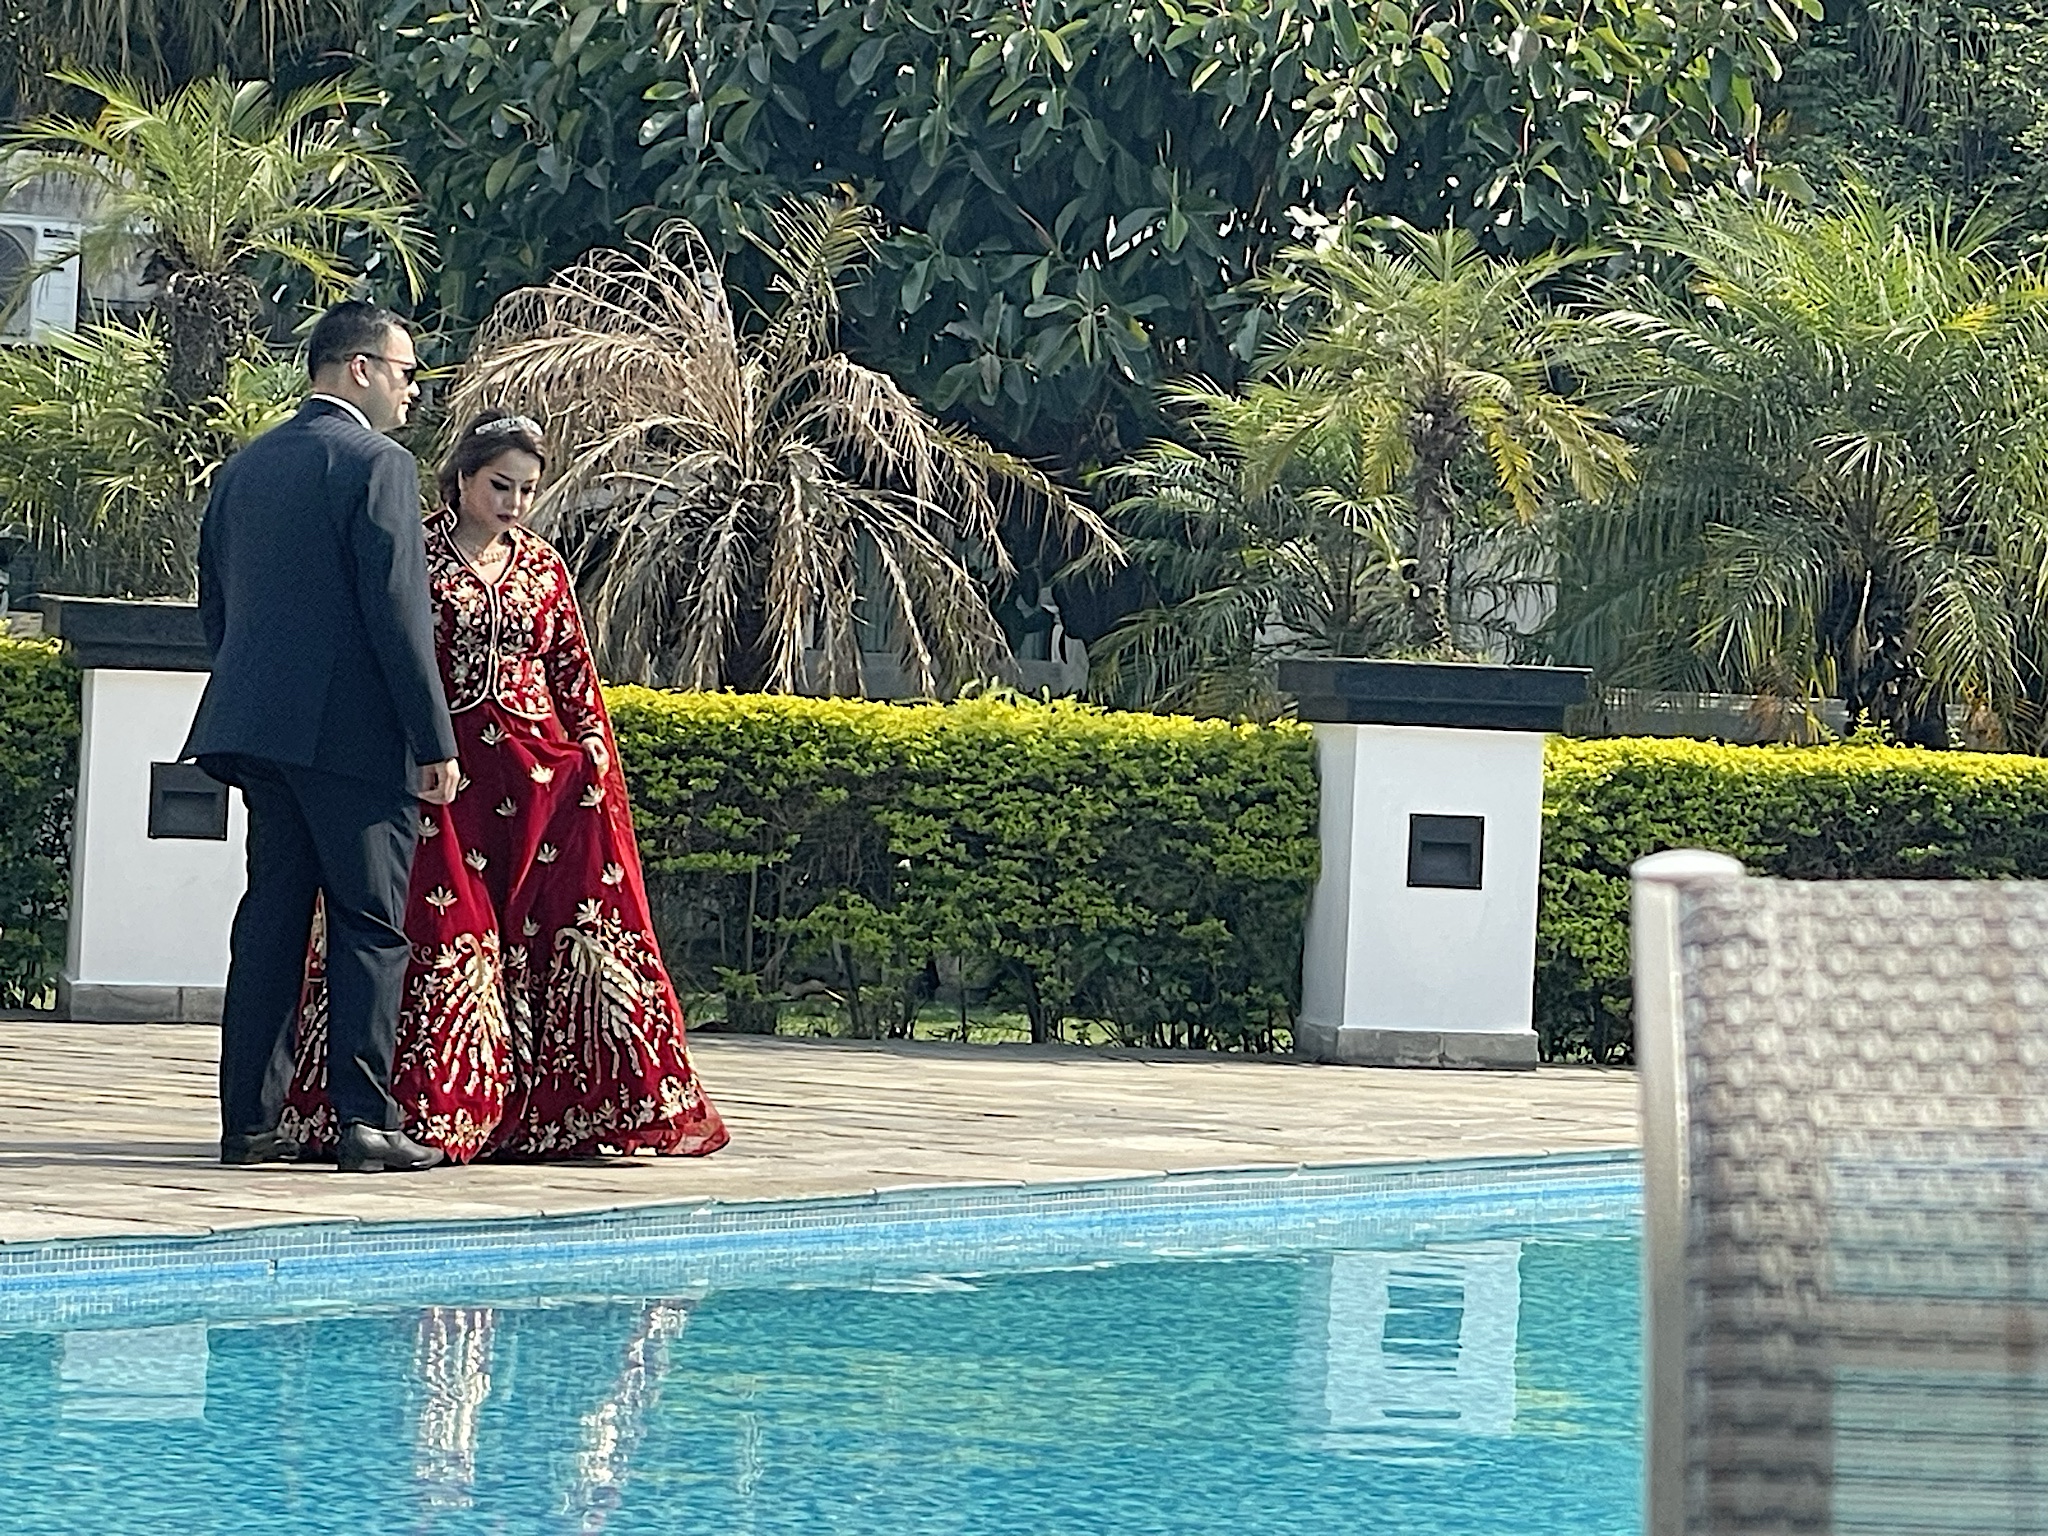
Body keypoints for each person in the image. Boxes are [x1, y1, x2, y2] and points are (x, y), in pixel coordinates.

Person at [278, 412, 728, 1162]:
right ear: (461, 479)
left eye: (526, 489)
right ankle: (438, 1111)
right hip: (441, 775)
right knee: (444, 931)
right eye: (499, 485)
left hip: (538, 776)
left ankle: (555, 1115)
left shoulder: (544, 566)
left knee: (554, 934)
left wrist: (590, 744)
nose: (514, 503)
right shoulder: (416, 552)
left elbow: (571, 667)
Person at [183, 300, 459, 1176]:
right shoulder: (379, 463)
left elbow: (217, 604)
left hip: (259, 731)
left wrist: (257, 694)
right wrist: (433, 738)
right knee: (370, 926)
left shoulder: (246, 465)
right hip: (352, 738)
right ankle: (365, 1120)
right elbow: (398, 613)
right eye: (405, 372)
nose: (412, 392)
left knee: (269, 922)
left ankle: (248, 1123)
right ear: (359, 368)